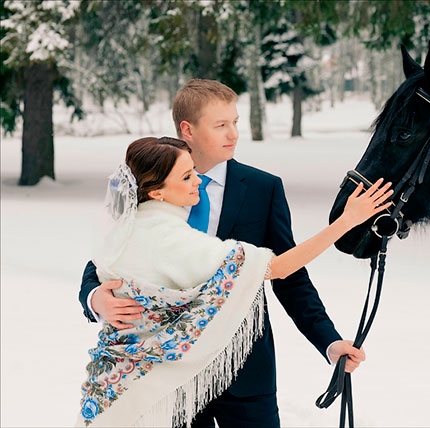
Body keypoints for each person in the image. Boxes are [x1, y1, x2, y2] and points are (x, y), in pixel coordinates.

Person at [78, 79, 388, 427]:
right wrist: (94, 298)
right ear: (188, 129)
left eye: (236, 122)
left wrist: (329, 342)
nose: (234, 134)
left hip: (244, 371)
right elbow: (107, 257)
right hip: (167, 379)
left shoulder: (263, 188)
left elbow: (291, 279)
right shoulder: (149, 182)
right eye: (221, 125)